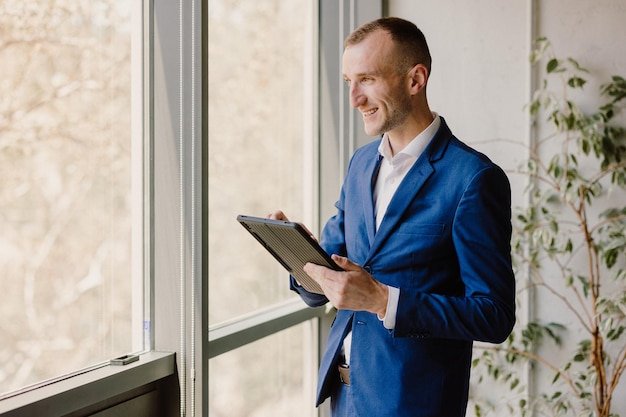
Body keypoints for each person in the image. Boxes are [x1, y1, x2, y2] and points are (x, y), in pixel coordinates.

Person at [270, 16, 515, 417]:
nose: (354, 99)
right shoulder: (361, 163)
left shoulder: (474, 179)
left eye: (366, 79)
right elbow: (328, 281)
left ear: (415, 79)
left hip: (413, 404)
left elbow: (493, 315)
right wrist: (300, 258)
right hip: (342, 395)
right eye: (349, 82)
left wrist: (384, 300)